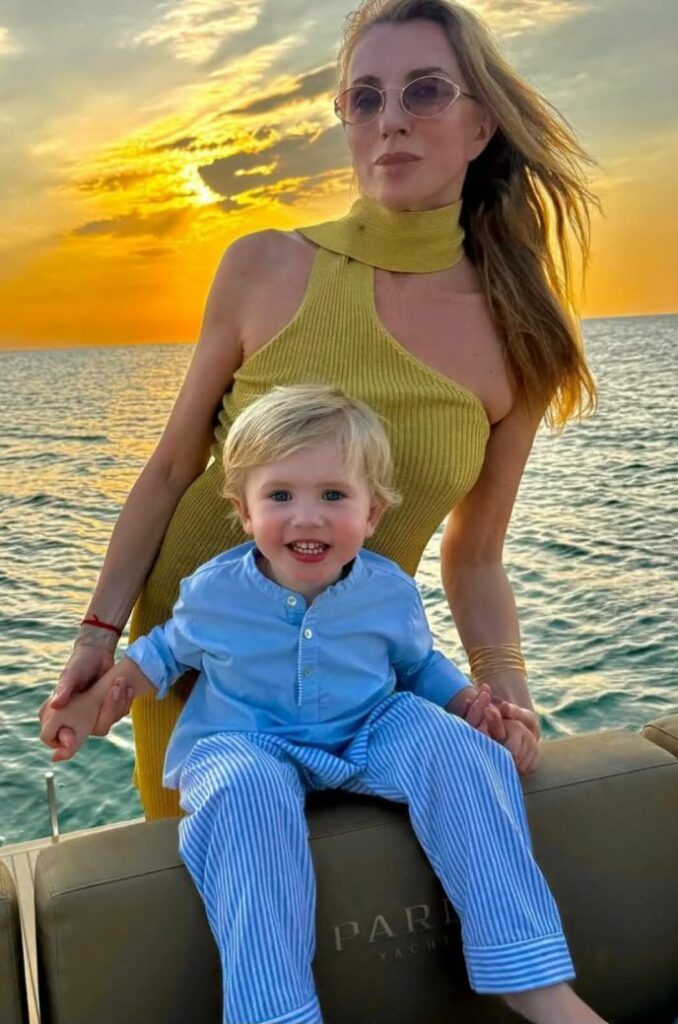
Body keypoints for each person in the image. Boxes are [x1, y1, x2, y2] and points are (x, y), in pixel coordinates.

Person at [41, 0, 598, 820]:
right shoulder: (263, 267)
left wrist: (504, 688)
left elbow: (475, 554)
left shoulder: (521, 333)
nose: (390, 120)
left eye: (424, 91)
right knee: (235, 871)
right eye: (364, 99)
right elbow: (170, 469)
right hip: (200, 664)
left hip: (352, 682)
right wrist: (97, 636)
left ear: (481, 124)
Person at [41, 385, 607, 1024]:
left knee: (457, 750)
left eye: (334, 496)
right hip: (245, 739)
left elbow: (419, 666)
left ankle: (529, 974)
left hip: (367, 727)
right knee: (244, 794)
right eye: (280, 496)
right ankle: (275, 1012)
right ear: (244, 511)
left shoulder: (388, 591)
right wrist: (94, 704)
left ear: (373, 514)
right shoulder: (214, 592)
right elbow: (158, 658)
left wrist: (471, 707)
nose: (306, 518)